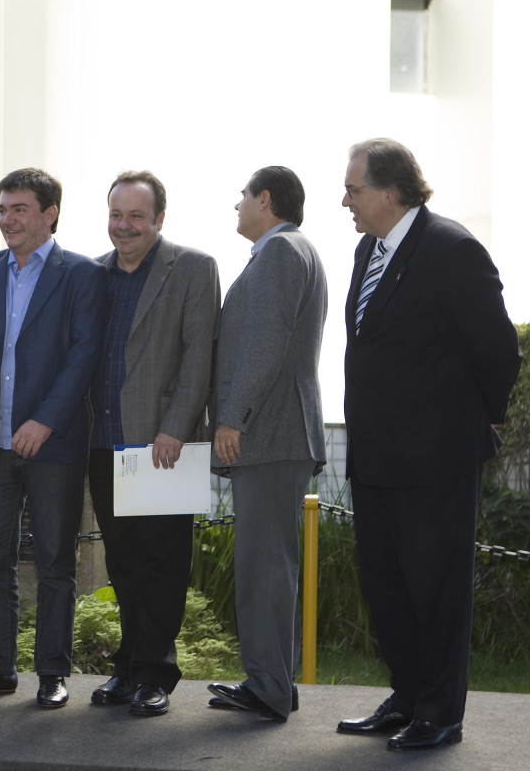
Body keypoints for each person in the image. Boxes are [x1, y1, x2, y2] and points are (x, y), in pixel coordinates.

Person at [335, 139, 520, 751]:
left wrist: (481, 419)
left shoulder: (452, 248)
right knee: (387, 585)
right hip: (377, 454)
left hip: (435, 457)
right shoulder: (370, 248)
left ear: (391, 191)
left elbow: (497, 350)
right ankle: (409, 696)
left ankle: (441, 713)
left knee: (436, 588)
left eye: (354, 189)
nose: (346, 201)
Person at [0, 168, 105, 708]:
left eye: (18, 209)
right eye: (2, 209)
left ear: (48, 213)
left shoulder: (81, 274)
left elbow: (84, 355)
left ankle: (53, 673)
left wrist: (46, 420)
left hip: (52, 445)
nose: (6, 219)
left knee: (57, 562)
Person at [87, 171, 219, 716]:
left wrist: (175, 427)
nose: (124, 226)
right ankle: (127, 665)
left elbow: (198, 356)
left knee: (163, 562)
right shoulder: (91, 273)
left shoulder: (192, 267)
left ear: (159, 219)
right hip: (103, 442)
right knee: (121, 564)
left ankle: (156, 672)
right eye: (116, 215)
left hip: (163, 445)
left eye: (136, 217)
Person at [206, 166, 327, 722]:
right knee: (268, 565)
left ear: (267, 200)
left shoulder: (280, 253)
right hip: (279, 432)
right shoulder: (286, 251)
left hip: (270, 433)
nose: (237, 206)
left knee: (265, 567)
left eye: (243, 197)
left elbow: (263, 345)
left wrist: (232, 419)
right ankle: (275, 682)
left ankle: (268, 689)